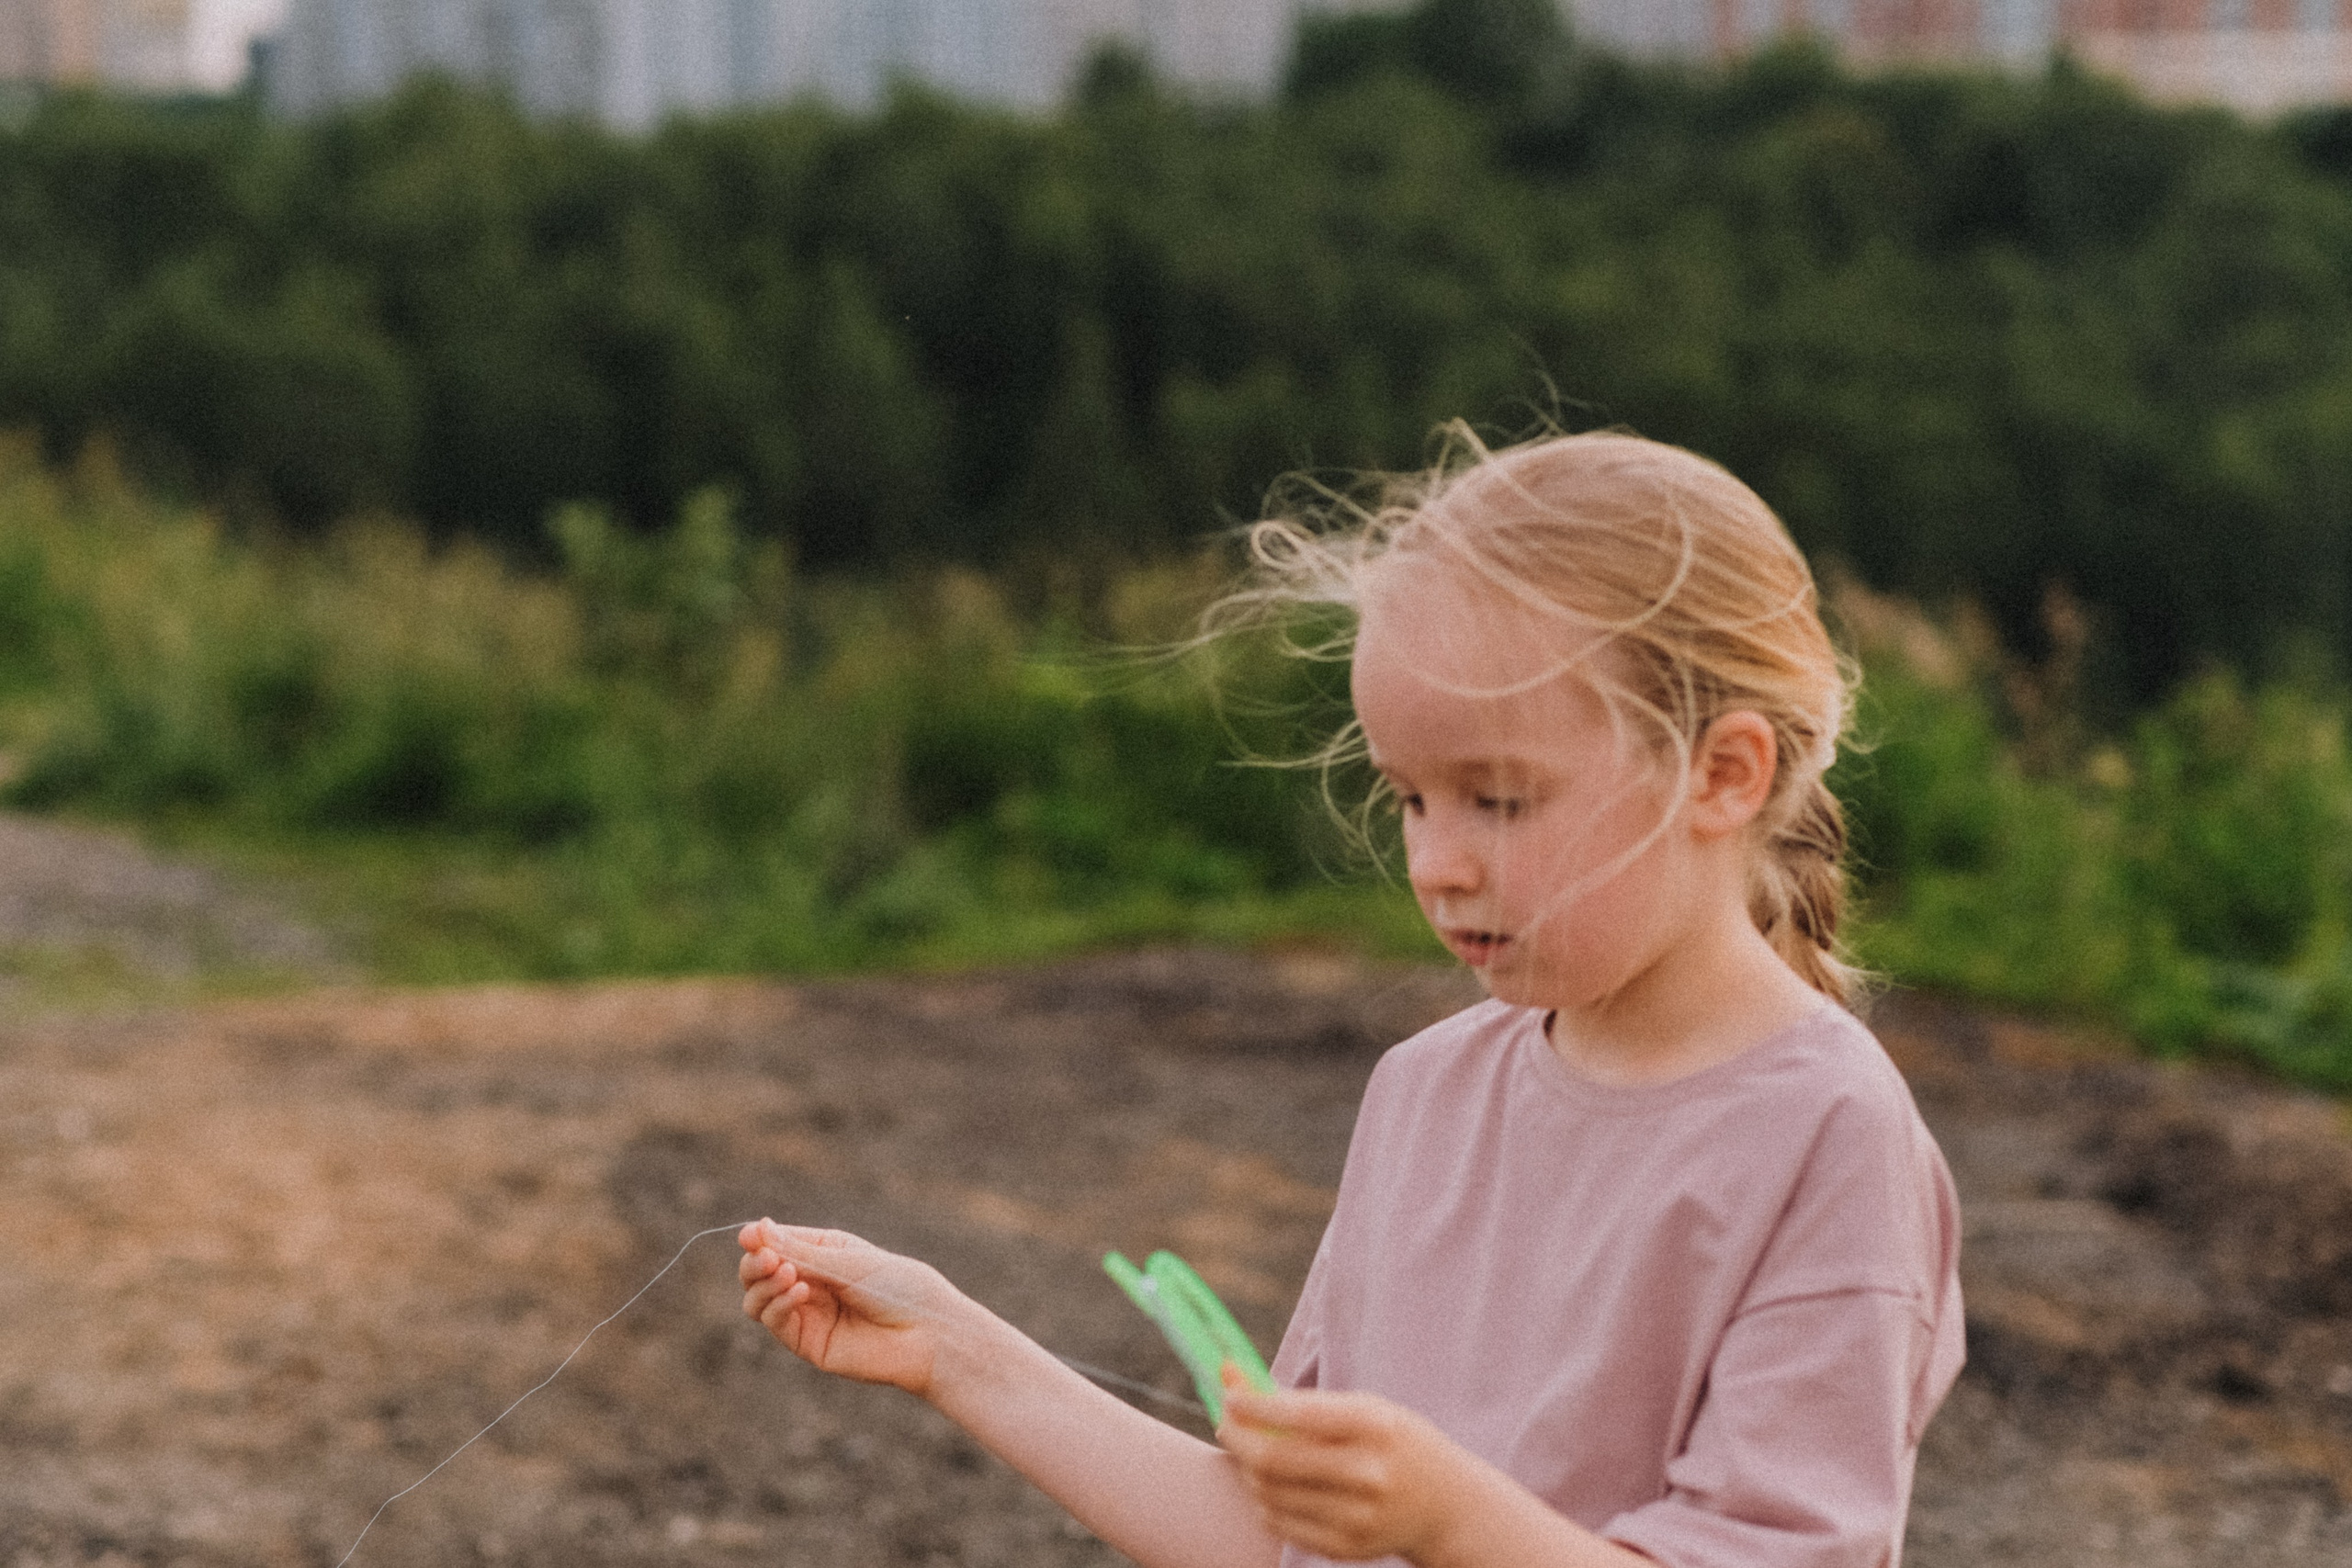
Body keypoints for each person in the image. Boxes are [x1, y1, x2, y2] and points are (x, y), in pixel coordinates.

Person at [738, 428, 1965, 1568]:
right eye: (1411, 798)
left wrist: (1446, 1517)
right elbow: (1277, 1539)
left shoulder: (1827, 1133)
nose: (1436, 863)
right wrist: (952, 1348)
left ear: (1724, 774)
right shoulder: (1424, 1090)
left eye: (1498, 799)